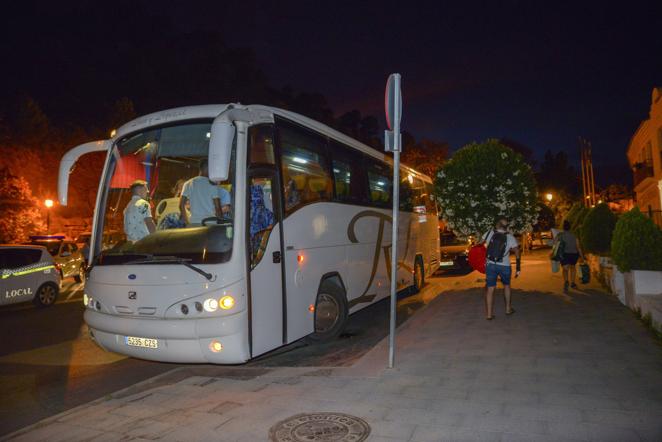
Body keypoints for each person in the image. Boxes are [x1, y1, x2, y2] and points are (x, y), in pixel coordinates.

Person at [482, 217, 521, 320]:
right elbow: (517, 251)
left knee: (490, 289)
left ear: (497, 225)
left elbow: (480, 243)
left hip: (491, 264)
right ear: (506, 227)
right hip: (505, 265)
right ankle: (508, 309)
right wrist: (518, 266)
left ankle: (489, 315)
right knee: (507, 286)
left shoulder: (490, 233)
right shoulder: (510, 237)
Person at [179, 159, 231, 225]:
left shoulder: (188, 184)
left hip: (193, 224)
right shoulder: (212, 185)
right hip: (210, 224)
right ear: (207, 168)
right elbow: (217, 207)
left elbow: (181, 205)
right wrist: (220, 223)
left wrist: (187, 222)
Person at [554, 220, 584, 293]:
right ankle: (573, 283)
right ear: (570, 227)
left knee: (565, 269)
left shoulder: (560, 235)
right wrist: (582, 256)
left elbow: (555, 244)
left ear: (563, 227)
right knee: (573, 267)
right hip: (574, 254)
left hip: (564, 254)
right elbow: (578, 247)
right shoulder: (574, 235)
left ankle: (566, 281)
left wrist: (553, 254)